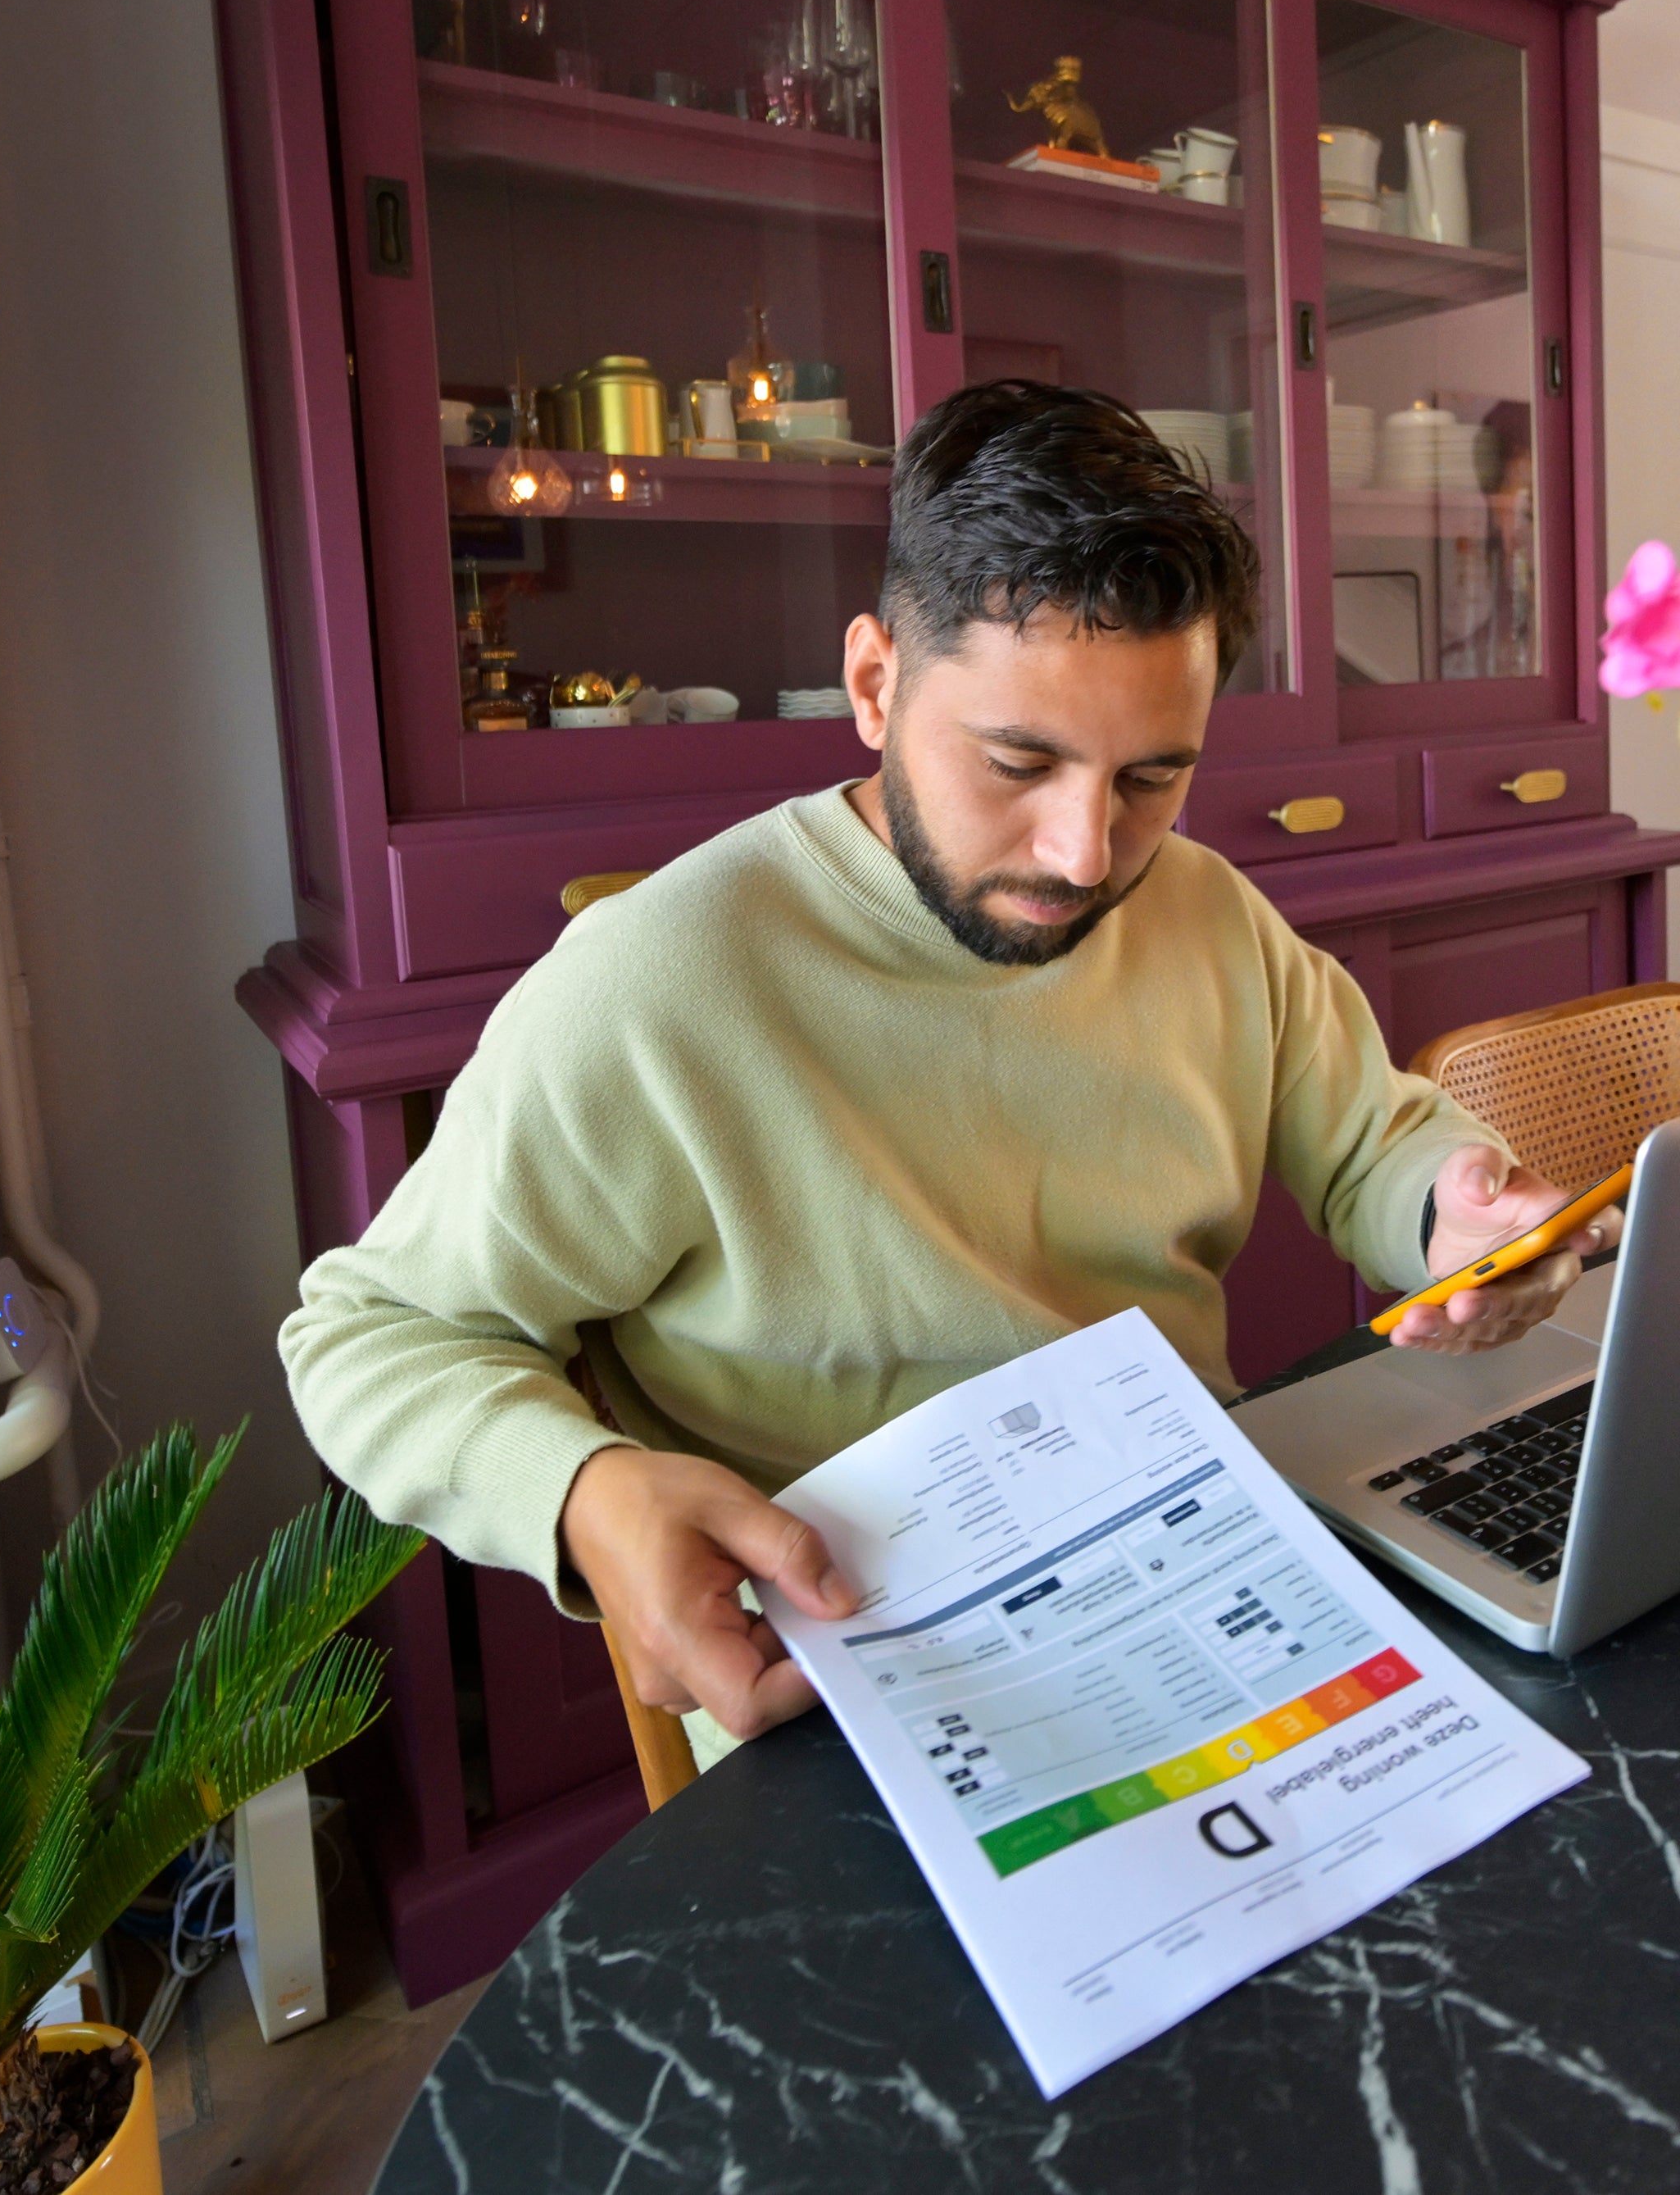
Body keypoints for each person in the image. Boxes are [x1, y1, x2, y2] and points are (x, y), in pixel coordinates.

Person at [279, 384, 1607, 1754]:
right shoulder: (658, 984)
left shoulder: (1203, 910)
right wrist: (587, 1492)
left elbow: (1366, 1141)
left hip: (1201, 1580)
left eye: (1152, 778)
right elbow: (371, 1337)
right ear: (873, 684)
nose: (1086, 854)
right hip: (860, 1686)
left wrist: (1454, 1207)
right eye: (1017, 762)